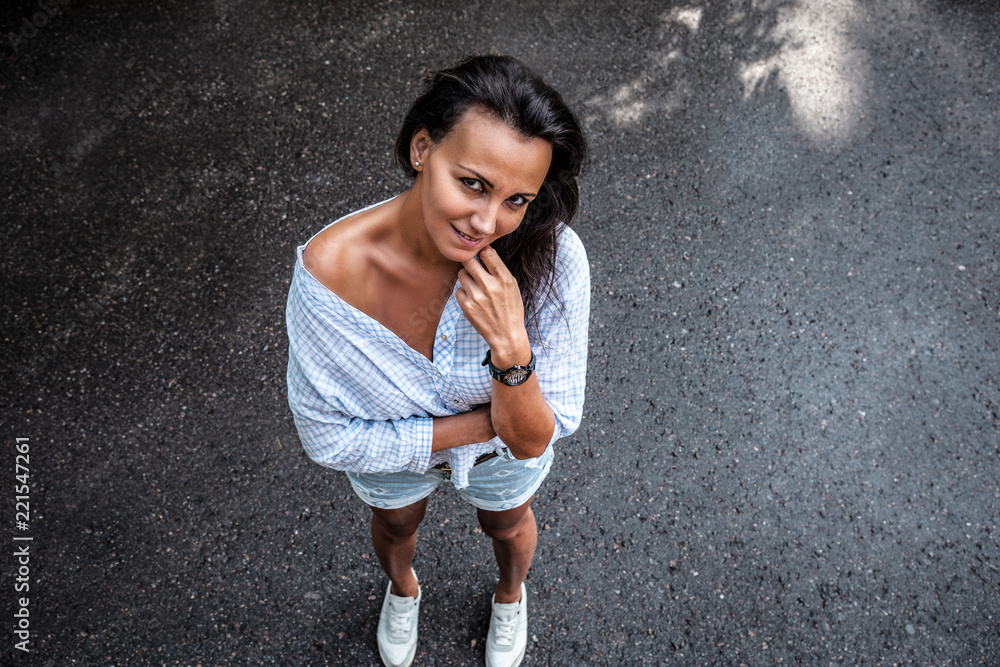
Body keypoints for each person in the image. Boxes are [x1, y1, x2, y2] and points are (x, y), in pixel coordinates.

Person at [285, 54, 590, 667]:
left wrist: (511, 346)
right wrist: (481, 426)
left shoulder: (553, 259)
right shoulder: (330, 276)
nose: (487, 222)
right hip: (417, 457)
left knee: (508, 524)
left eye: (517, 199)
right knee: (396, 524)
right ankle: (403, 589)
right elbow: (325, 437)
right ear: (422, 148)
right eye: (472, 183)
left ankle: (510, 594)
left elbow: (538, 435)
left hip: (484, 454)